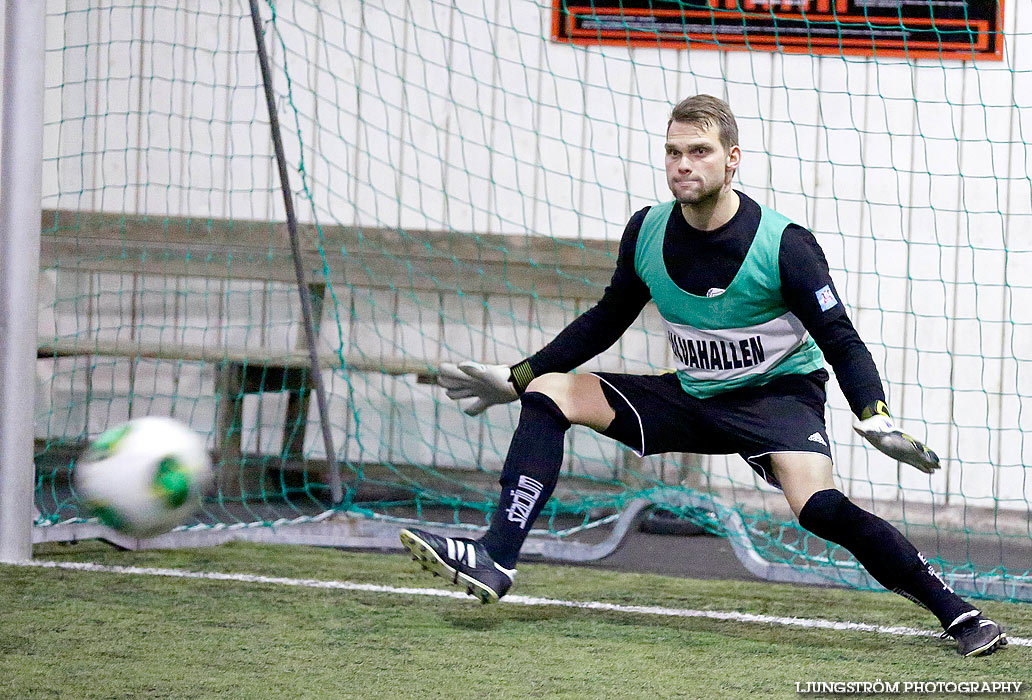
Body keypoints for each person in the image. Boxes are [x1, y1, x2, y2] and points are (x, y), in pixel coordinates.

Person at [399, 94, 1006, 657]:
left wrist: (874, 416)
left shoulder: (786, 245)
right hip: (692, 395)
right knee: (550, 392)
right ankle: (495, 556)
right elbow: (609, 316)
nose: (682, 163)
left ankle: (957, 614)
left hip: (776, 399)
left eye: (699, 151)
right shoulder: (647, 230)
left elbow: (840, 339)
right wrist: (518, 374)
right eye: (673, 151)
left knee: (819, 508)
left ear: (731, 159)